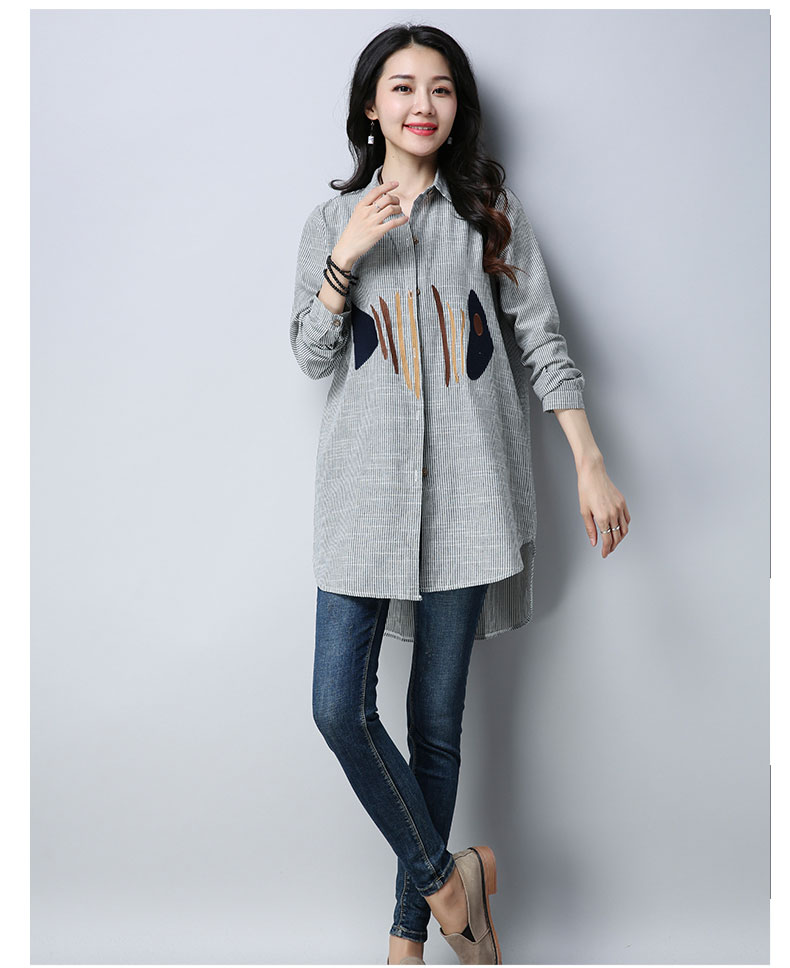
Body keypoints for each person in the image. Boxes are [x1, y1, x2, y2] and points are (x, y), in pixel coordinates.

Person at [289, 23, 630, 966]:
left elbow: (542, 339)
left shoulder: (490, 212)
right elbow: (310, 354)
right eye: (402, 87)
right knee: (337, 707)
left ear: (457, 107)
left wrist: (589, 460)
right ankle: (452, 881)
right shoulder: (331, 221)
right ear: (371, 106)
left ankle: (408, 942)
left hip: (472, 497)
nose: (422, 105)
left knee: (436, 728)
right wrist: (346, 255)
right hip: (363, 500)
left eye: (439, 89)